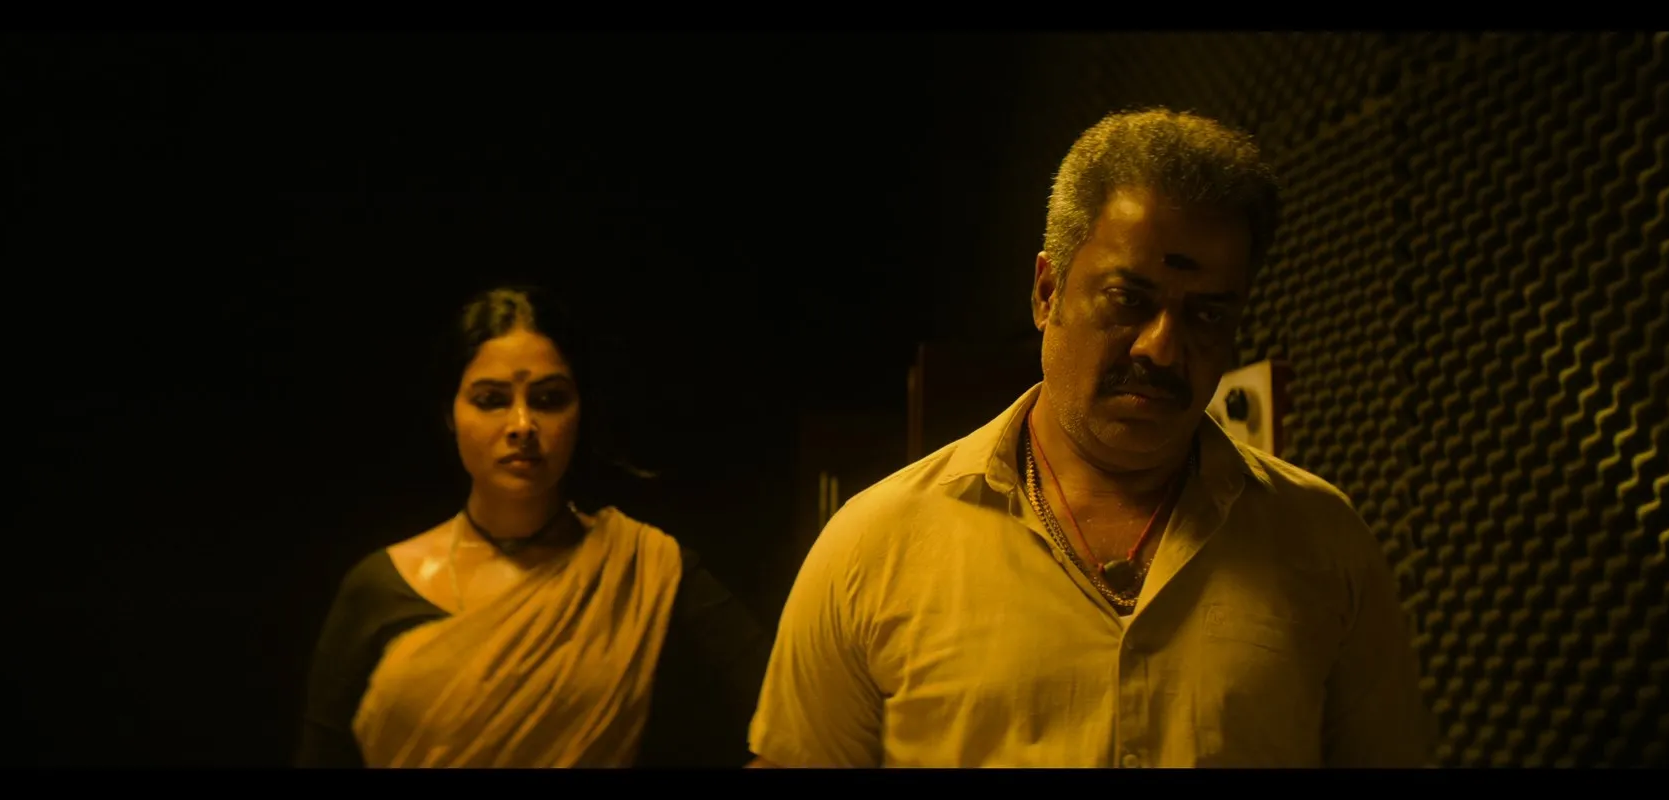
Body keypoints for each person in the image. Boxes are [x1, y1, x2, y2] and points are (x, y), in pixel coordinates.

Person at [747, 108, 1436, 768]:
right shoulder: (873, 545)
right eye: (1130, 300)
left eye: (1206, 315)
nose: (1162, 349)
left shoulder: (1324, 543)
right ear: (1047, 291)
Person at [295, 285, 770, 768]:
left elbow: (793, 712)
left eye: (548, 399)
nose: (522, 424)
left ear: (580, 412)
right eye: (491, 400)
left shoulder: (638, 570)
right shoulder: (378, 588)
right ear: (449, 414)